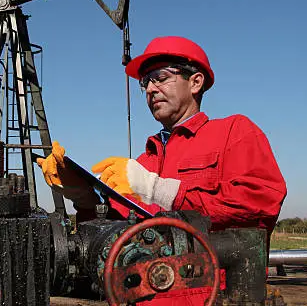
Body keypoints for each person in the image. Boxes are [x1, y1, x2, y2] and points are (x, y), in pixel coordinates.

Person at [37, 36, 287, 304]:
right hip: (143, 295)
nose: (150, 89)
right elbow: (113, 236)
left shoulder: (234, 132)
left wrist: (159, 190)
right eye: (146, 82)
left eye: (161, 77)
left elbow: (260, 203)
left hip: (214, 297)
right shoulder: (146, 161)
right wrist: (83, 197)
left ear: (195, 82)